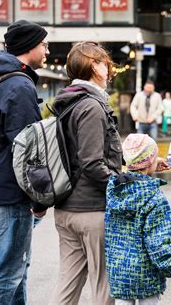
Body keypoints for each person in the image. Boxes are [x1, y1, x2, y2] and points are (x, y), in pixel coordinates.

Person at [0, 20, 49, 304]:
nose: (47, 51)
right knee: (6, 273)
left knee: (14, 271)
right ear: (30, 47)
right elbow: (28, 149)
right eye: (44, 45)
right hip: (10, 191)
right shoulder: (17, 84)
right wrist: (40, 198)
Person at [49, 41, 123, 305]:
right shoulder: (91, 106)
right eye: (105, 63)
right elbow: (92, 164)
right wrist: (122, 182)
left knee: (67, 284)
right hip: (91, 211)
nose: (109, 70)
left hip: (66, 208)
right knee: (104, 283)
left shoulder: (67, 102)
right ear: (94, 65)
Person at [105, 133, 171, 304]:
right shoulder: (155, 198)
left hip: (119, 273)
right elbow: (157, 243)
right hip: (147, 275)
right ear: (150, 162)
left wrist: (151, 161)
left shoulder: (113, 191)